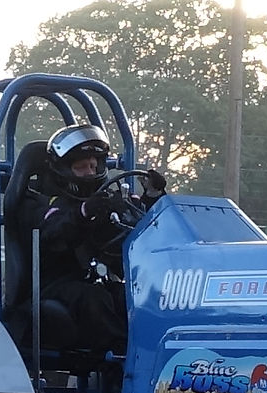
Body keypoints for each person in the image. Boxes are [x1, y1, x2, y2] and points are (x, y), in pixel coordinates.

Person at [23, 124, 167, 355]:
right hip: (53, 284)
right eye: (81, 167)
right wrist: (84, 212)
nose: (90, 172)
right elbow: (53, 232)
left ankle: (156, 356)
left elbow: (136, 231)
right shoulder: (48, 204)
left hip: (92, 281)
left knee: (133, 298)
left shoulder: (105, 201)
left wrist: (152, 198)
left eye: (93, 165)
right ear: (63, 169)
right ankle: (122, 362)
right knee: (95, 299)